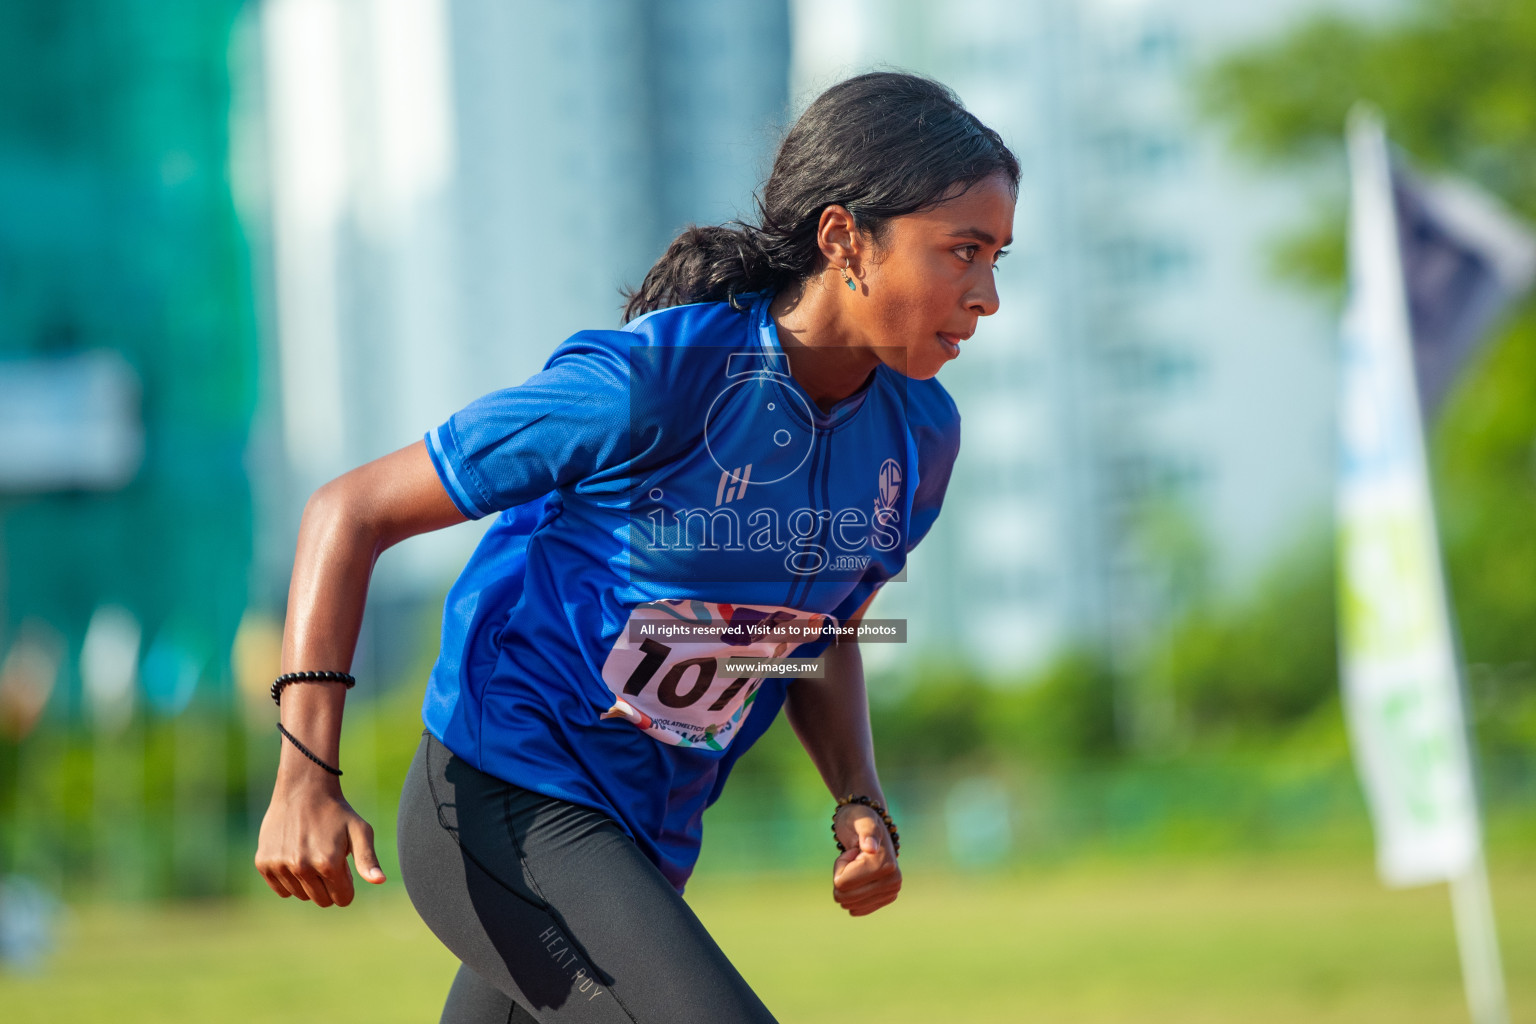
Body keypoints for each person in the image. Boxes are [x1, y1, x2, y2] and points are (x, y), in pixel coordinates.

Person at [255, 71, 1018, 1023]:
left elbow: (820, 638)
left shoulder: (921, 436)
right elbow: (349, 510)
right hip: (506, 792)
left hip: (650, 845)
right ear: (845, 240)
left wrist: (857, 796)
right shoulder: (663, 378)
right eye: (963, 252)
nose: (987, 295)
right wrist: (303, 775)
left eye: (997, 257)